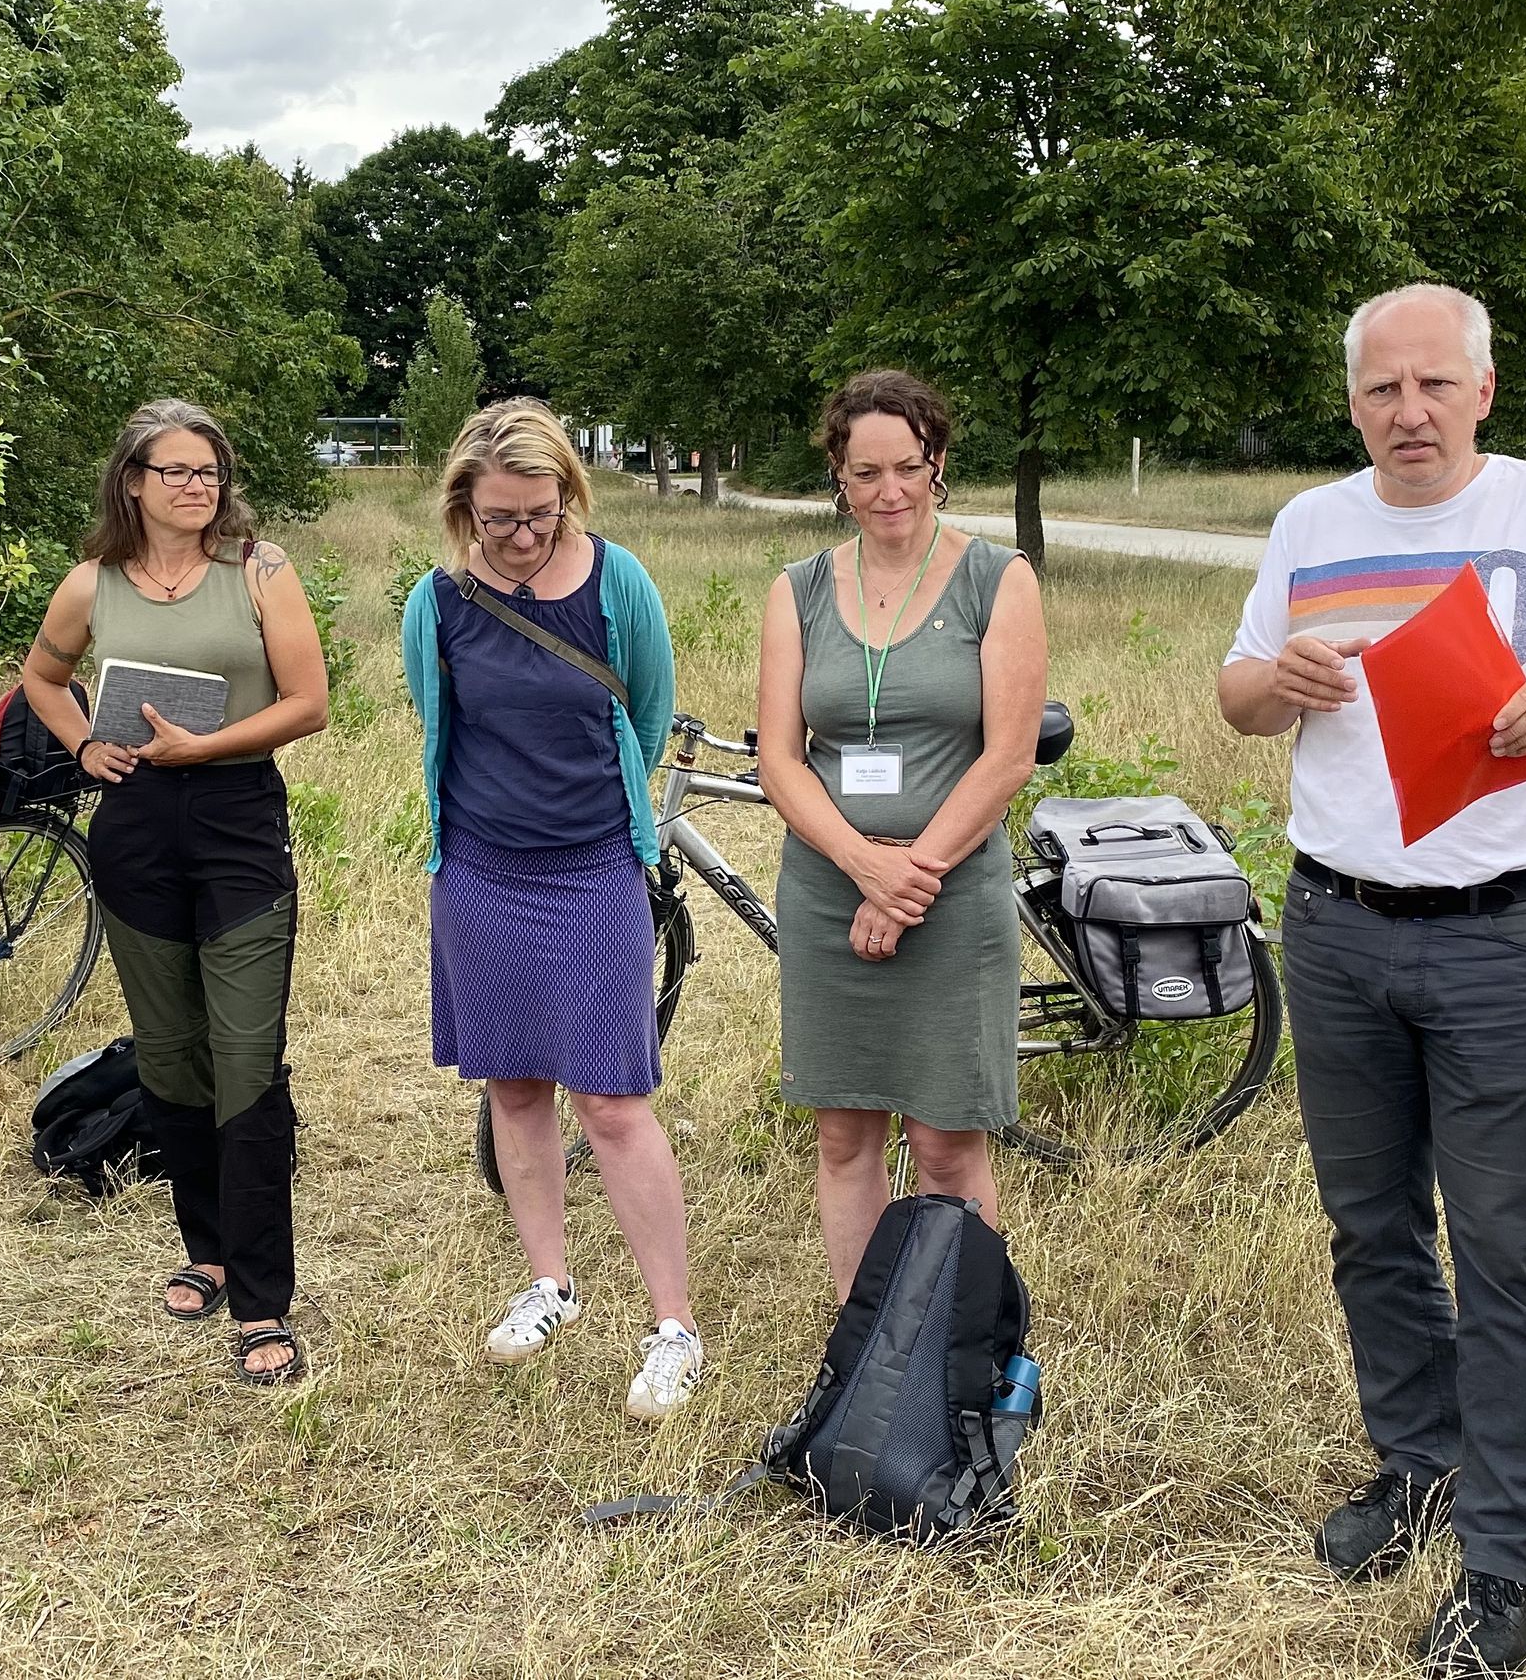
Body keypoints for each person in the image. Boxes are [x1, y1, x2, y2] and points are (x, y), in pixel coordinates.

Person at [1218, 284, 1526, 1677]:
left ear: (1483, 391)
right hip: (1340, 925)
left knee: (1508, 1251)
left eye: (1432, 386)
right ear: (1351, 400)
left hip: (1503, 936)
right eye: (1380, 390)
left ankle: (1507, 1552)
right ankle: (1417, 1466)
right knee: (1371, 1226)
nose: (1406, 412)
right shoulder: (1312, 524)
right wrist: (1277, 678)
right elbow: (1237, 695)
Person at [399, 398, 702, 1421]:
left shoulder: (618, 584)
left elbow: (646, 714)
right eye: (500, 520)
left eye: (542, 514)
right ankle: (550, 1283)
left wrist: (602, 823)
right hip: (480, 872)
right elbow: (439, 725)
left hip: (591, 871)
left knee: (613, 1101)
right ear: (463, 512)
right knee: (514, 1088)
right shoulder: (433, 604)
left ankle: (674, 1327)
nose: (523, 537)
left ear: (569, 495)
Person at [21, 399, 329, 1385]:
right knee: (172, 1055)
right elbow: (40, 676)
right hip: (138, 829)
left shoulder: (260, 571)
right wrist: (82, 744)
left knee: (247, 1057)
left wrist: (209, 747)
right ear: (133, 483)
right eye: (177, 472)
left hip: (238, 823)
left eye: (210, 472)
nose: (197, 487)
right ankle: (205, 1249)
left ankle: (264, 1299)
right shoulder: (91, 583)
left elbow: (308, 704)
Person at [755, 369, 1048, 1300]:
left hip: (950, 895)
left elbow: (1005, 758)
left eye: (908, 468)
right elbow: (781, 759)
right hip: (826, 893)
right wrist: (860, 866)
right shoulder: (796, 591)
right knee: (844, 1135)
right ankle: (865, 1345)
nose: (889, 492)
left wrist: (909, 876)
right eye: (865, 471)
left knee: (945, 1140)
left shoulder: (997, 580)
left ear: (939, 465)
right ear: (837, 473)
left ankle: (959, 1351)